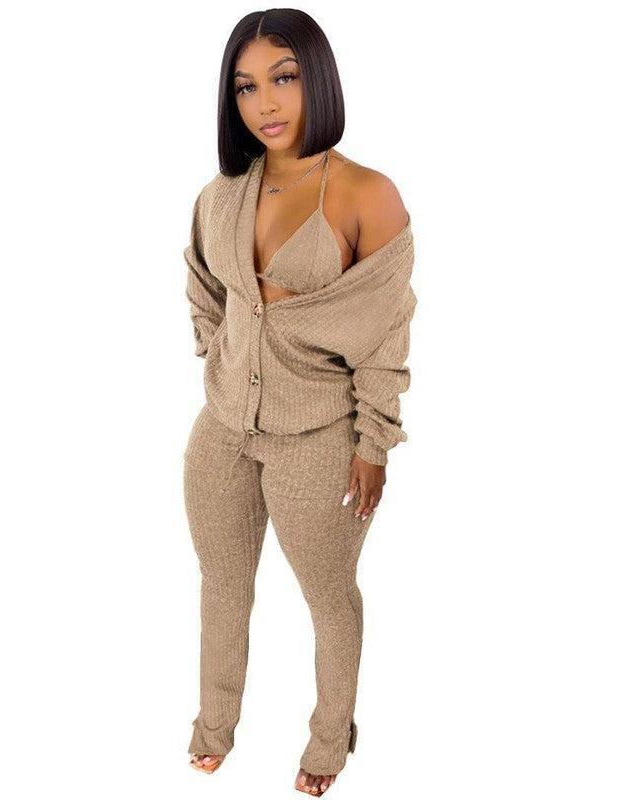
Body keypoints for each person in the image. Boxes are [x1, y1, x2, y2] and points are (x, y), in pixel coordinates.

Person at [183, 9, 416, 796]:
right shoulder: (221, 194)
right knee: (222, 586)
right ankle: (213, 728)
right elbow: (203, 285)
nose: (266, 102)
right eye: (245, 87)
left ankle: (329, 739)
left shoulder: (366, 194)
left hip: (319, 437)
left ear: (316, 75)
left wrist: (373, 443)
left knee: (328, 597)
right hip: (222, 431)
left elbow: (386, 334)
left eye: (283, 77)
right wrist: (221, 352)